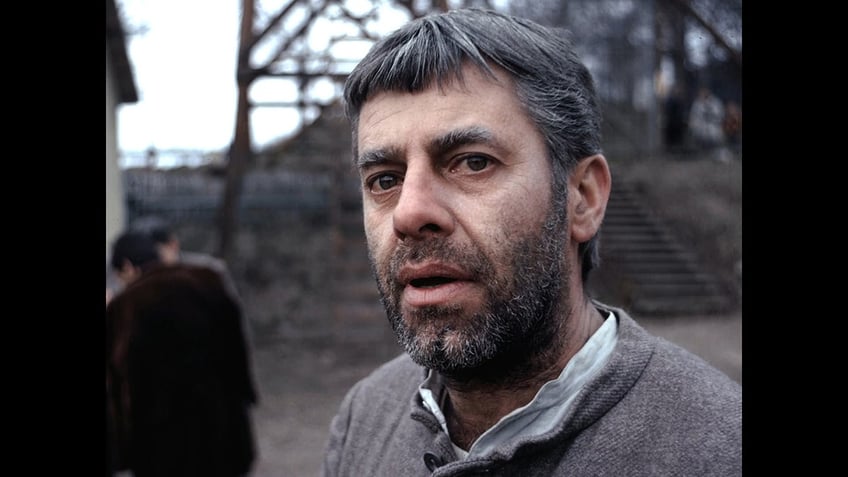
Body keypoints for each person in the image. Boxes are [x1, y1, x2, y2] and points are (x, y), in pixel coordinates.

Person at [321, 8, 741, 476]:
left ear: (582, 197)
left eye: (472, 162)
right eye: (384, 179)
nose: (410, 213)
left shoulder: (721, 448)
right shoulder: (363, 419)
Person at [105, 262, 259, 477]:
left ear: (128, 267)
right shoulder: (207, 282)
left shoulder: (126, 307)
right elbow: (237, 357)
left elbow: (117, 387)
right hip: (220, 426)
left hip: (158, 437)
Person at [688, 85, 725, 159]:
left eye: (704, 92)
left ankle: (715, 152)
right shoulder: (697, 103)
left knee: (714, 133)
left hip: (713, 125)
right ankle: (701, 152)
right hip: (700, 126)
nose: (702, 93)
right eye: (701, 92)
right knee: (698, 132)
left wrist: (710, 113)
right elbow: (693, 116)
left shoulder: (715, 102)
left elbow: (720, 115)